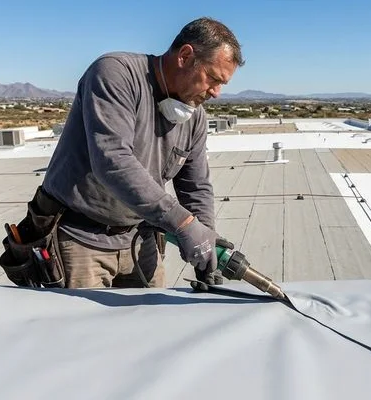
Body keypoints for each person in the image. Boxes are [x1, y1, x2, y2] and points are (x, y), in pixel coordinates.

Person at [35, 17, 245, 289]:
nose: (216, 92)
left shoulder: (195, 117)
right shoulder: (115, 74)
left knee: (152, 327)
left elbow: (196, 186)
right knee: (87, 330)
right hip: (81, 241)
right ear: (185, 56)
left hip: (141, 241)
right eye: (213, 79)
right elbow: (113, 162)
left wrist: (206, 243)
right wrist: (183, 224)